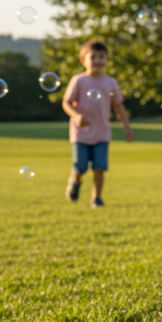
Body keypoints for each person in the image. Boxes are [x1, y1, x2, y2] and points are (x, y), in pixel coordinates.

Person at [62, 40, 134, 208]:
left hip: (102, 132)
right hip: (81, 132)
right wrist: (76, 116)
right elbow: (66, 102)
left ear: (107, 60)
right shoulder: (78, 80)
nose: (98, 60)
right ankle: (75, 179)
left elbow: (118, 106)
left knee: (99, 167)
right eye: (93, 57)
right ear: (83, 60)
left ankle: (96, 198)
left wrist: (127, 128)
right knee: (80, 166)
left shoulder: (110, 82)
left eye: (101, 57)